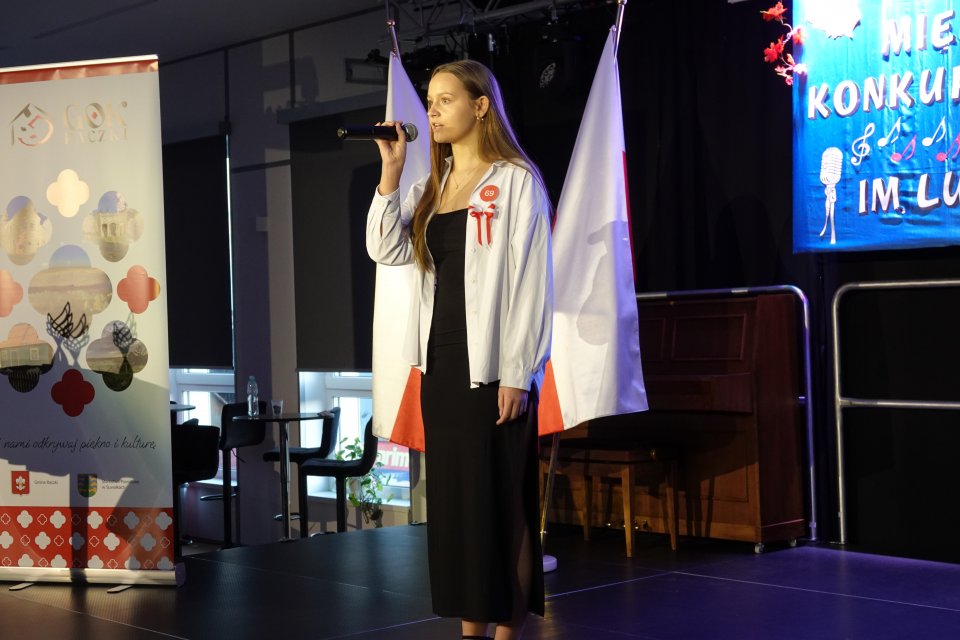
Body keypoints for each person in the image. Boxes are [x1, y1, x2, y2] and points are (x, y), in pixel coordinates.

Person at [366, 59, 553, 640]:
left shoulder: (515, 180)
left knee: (499, 507)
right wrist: (391, 173)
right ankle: (472, 631)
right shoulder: (434, 185)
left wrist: (518, 372)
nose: (433, 111)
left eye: (445, 100)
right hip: (443, 369)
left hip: (494, 370)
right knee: (460, 512)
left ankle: (507, 632)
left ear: (480, 106)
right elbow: (384, 249)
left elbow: (532, 282)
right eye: (429, 102)